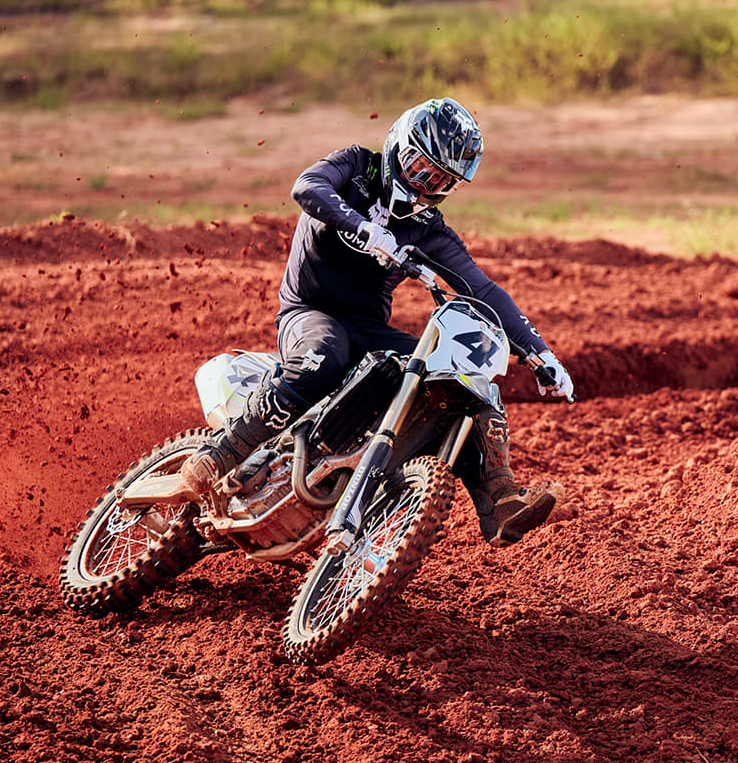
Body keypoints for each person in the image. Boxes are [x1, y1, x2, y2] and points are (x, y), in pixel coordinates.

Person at [179, 98, 574, 547]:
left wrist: (540, 353)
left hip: (367, 329)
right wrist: (362, 226)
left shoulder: (429, 230)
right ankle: (219, 453)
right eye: (421, 169)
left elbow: (482, 289)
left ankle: (499, 499)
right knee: (324, 357)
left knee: (462, 380)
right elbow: (307, 187)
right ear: (399, 146)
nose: (425, 186)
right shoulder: (355, 167)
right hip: (309, 310)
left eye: (441, 181)